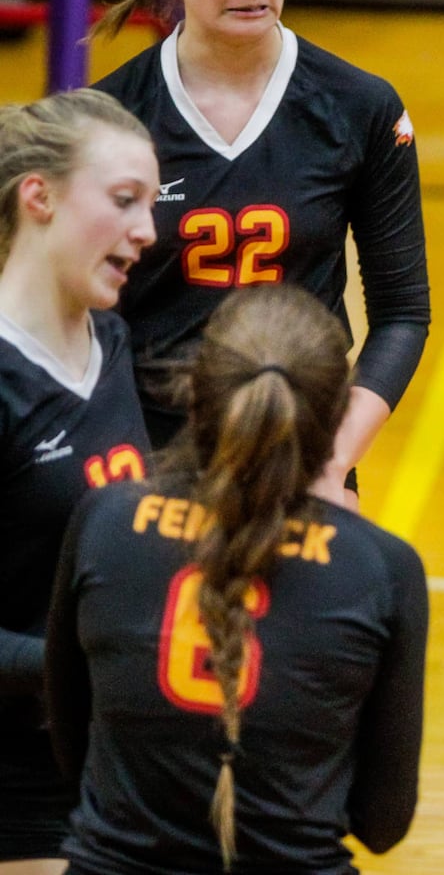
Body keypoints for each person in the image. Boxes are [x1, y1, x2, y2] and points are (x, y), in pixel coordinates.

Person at [45, 283, 428, 873]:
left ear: (194, 396)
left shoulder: (105, 521)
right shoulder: (380, 569)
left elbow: (72, 755)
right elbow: (382, 822)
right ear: (333, 425)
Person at [91, 0, 430, 507]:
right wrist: (122, 473)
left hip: (302, 463)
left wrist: (332, 463)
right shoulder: (108, 119)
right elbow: (80, 325)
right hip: (145, 469)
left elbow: (404, 315)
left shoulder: (360, 108)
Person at [0, 89, 157, 874]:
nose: (148, 232)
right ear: (41, 197)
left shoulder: (113, 339)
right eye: (126, 201)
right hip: (15, 791)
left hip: (106, 764)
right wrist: (79, 659)